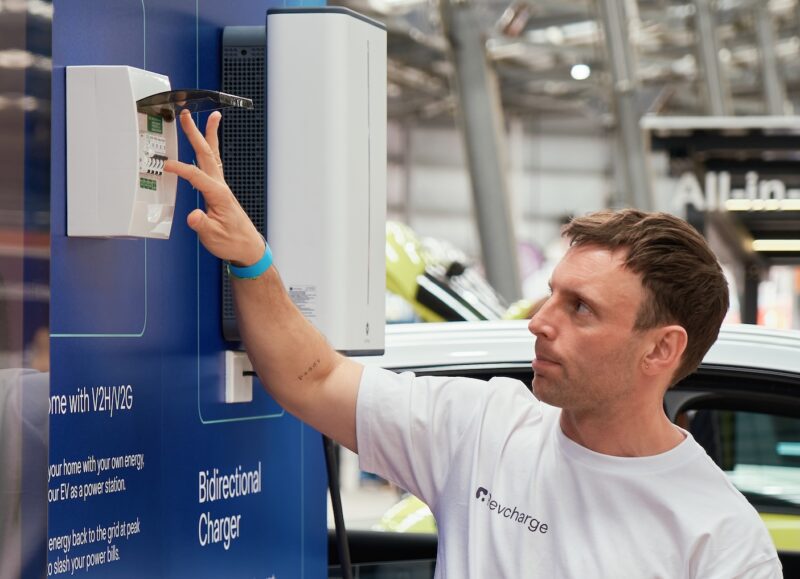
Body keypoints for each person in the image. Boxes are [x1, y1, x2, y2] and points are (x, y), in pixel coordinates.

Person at [165, 109, 782, 577]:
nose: (540, 321)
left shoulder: (721, 540)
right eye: (552, 295)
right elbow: (313, 376)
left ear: (660, 350)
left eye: (580, 309)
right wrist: (251, 259)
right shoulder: (482, 426)